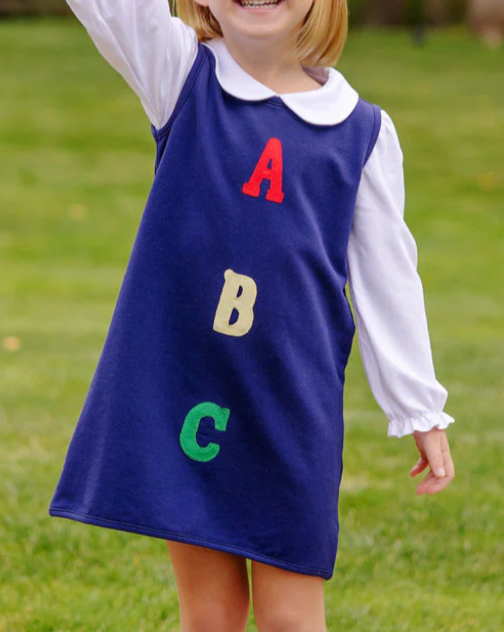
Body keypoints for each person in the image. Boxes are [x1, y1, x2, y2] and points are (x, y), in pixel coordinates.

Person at [49, 0, 456, 630]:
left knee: (292, 618)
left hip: (288, 410)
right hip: (190, 397)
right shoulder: (181, 77)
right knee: (210, 615)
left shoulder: (362, 135)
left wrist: (418, 407)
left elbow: (388, 276)